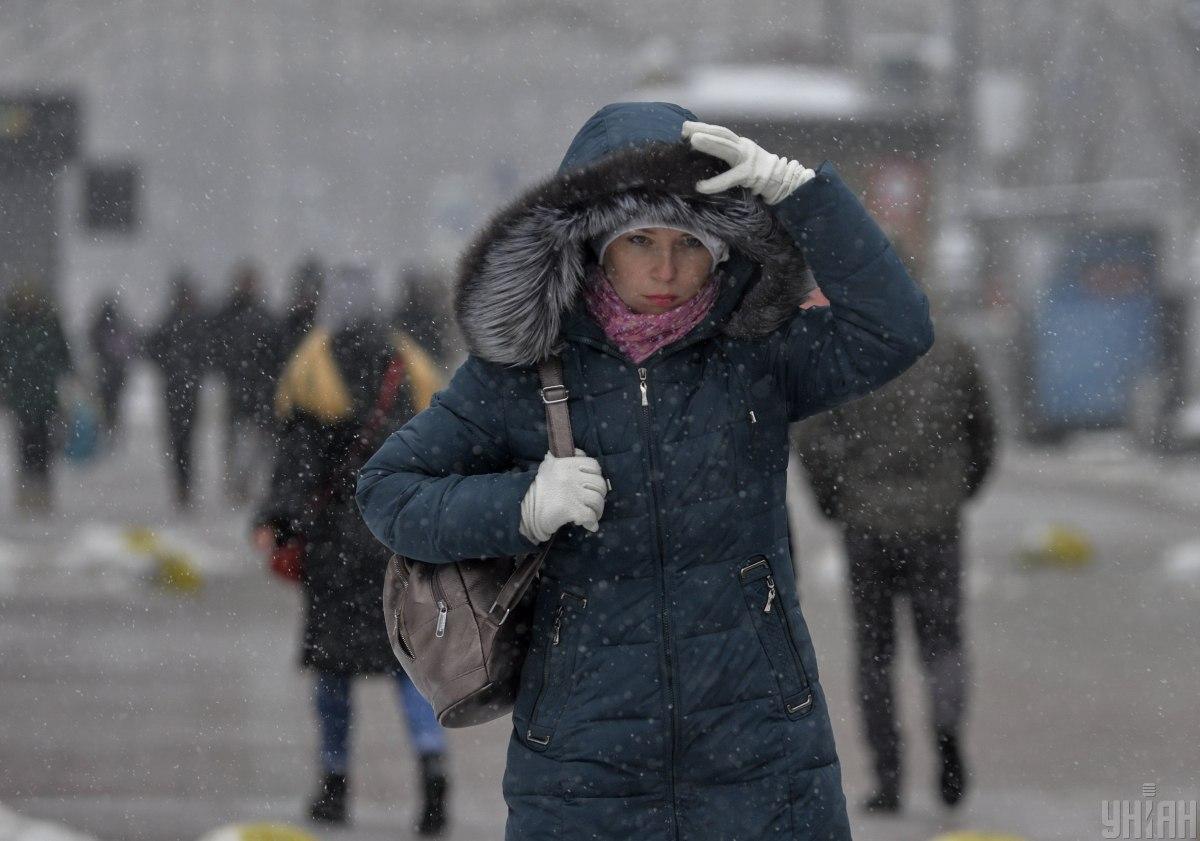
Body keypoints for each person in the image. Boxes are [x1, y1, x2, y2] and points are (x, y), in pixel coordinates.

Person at [355, 102, 934, 840]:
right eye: (640, 241)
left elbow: (896, 329)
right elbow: (389, 492)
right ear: (596, 246)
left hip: (761, 749)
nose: (665, 269)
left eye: (689, 244)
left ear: (723, 250)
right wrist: (521, 505)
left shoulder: (757, 357)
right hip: (581, 763)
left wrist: (800, 194)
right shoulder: (522, 375)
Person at [254, 264, 450, 835]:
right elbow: (436, 449)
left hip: (337, 545)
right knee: (409, 666)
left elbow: (298, 462)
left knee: (333, 673)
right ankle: (432, 768)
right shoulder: (409, 365)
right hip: (398, 541)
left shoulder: (315, 369)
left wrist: (277, 519)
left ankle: (333, 788)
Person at [793, 325, 997, 814]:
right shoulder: (950, 347)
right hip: (936, 524)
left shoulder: (844, 349)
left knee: (875, 653)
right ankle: (946, 729)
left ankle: (888, 780)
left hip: (866, 525)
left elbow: (813, 438)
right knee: (942, 642)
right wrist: (955, 492)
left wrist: (834, 501)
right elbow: (983, 431)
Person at [209, 261, 280, 504]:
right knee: (236, 438)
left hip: (258, 389)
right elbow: (215, 347)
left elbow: (274, 353)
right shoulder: (229, 315)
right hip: (238, 388)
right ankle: (236, 482)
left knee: (258, 441)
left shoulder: (263, 316)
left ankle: (244, 482)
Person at [0, 282, 73, 514]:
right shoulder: (9, 324)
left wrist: (68, 379)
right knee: (24, 443)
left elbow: (64, 355)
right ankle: (27, 490)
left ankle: (42, 490)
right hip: (20, 395)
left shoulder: (49, 322)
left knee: (44, 444)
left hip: (44, 395)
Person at [145, 270, 207, 510]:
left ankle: (185, 483)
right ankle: (182, 484)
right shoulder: (172, 321)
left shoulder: (191, 322)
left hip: (187, 388)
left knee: (186, 439)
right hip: (176, 389)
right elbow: (151, 347)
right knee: (177, 440)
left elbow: (208, 350)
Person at [87, 292, 137, 441]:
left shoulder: (99, 326)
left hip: (105, 370)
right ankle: (111, 426)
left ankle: (106, 426)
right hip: (116, 370)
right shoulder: (119, 324)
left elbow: (93, 344)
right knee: (114, 400)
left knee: (105, 399)